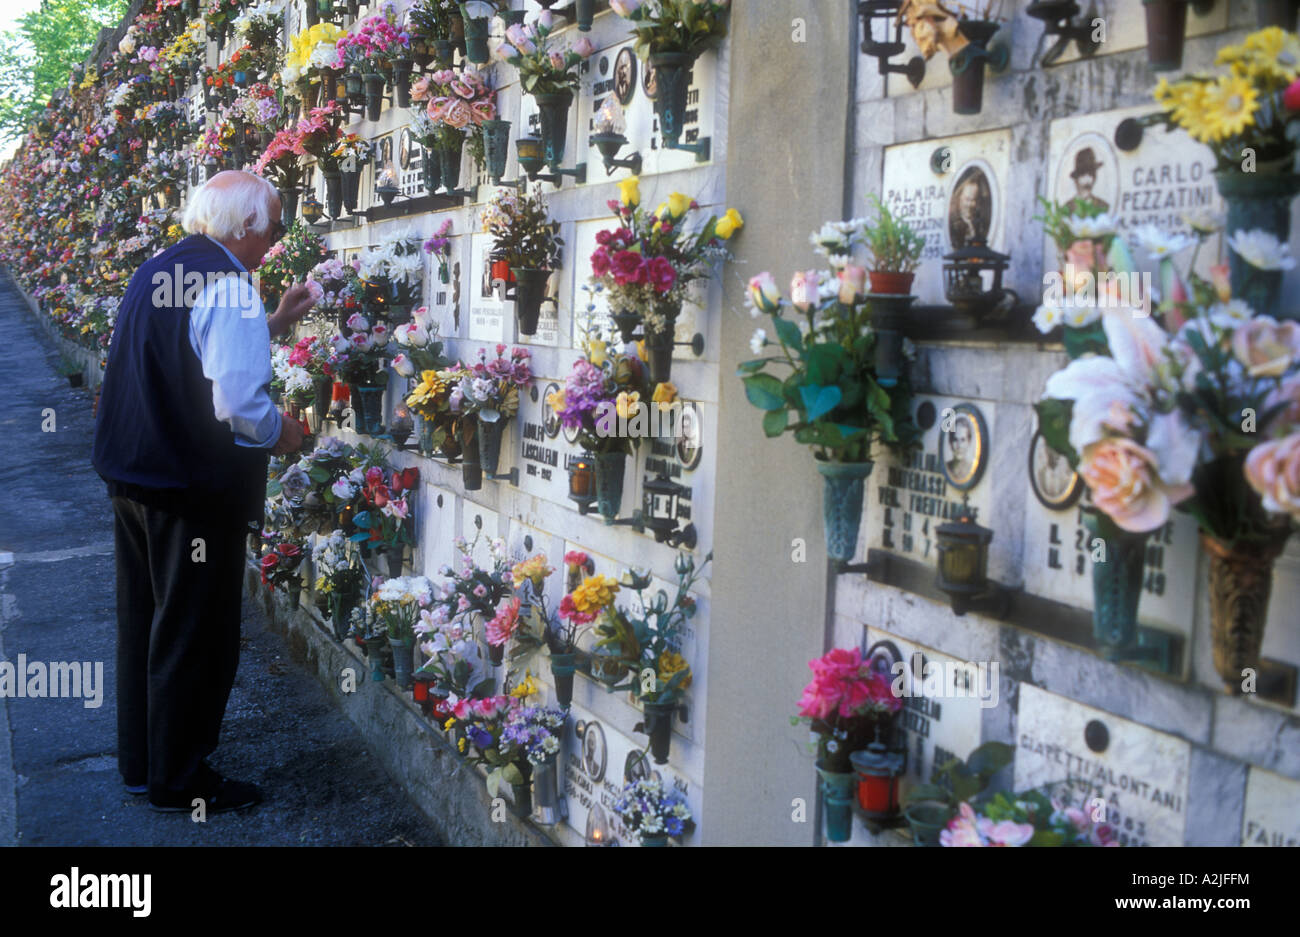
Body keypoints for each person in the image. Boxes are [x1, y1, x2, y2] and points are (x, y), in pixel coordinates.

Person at [92, 171, 315, 814]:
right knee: (195, 629)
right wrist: (284, 434)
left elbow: (186, 352)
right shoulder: (229, 286)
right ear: (244, 227)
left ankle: (144, 764)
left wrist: (269, 322)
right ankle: (181, 778)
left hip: (134, 480)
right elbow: (238, 402)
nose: (274, 239)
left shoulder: (161, 269)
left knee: (144, 621)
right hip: (189, 492)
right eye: (272, 225)